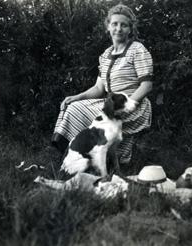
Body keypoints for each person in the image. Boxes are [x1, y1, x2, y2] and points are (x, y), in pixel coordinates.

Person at [51, 4, 153, 166]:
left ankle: (102, 160)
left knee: (97, 117)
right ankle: (70, 157)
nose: (118, 29)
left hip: (133, 104)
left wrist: (129, 105)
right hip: (110, 103)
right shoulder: (106, 55)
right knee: (73, 107)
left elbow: (146, 86)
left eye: (123, 25)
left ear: (130, 29)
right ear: (108, 27)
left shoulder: (137, 50)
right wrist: (77, 97)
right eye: (114, 24)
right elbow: (99, 88)